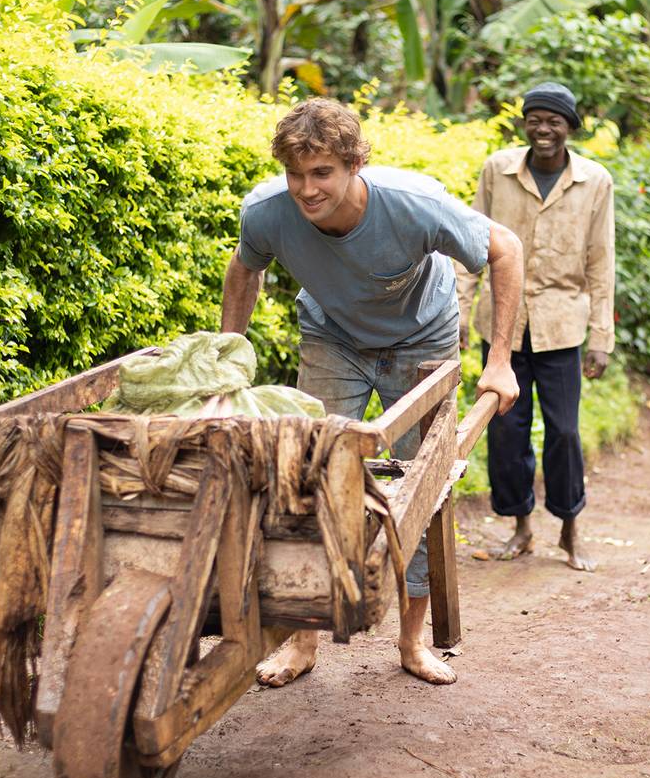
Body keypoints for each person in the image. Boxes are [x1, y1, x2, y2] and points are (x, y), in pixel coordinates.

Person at [221, 97, 525, 686]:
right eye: (296, 174)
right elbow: (245, 267)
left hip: (421, 341)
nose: (307, 189)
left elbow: (505, 248)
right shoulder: (266, 212)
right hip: (332, 337)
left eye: (322, 173)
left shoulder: (412, 205)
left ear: (355, 164)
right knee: (307, 473)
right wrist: (227, 355)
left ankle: (412, 643)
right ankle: (302, 641)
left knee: (420, 485)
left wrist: (500, 361)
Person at [456, 82, 615, 572]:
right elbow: (471, 244)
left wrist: (601, 336)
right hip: (501, 323)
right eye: (535, 120)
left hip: (562, 326)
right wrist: (460, 313)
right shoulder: (497, 171)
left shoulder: (594, 181)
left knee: (564, 431)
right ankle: (521, 527)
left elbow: (601, 260)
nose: (543, 130)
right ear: (524, 124)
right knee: (507, 429)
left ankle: (569, 530)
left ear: (569, 127)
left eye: (554, 121)